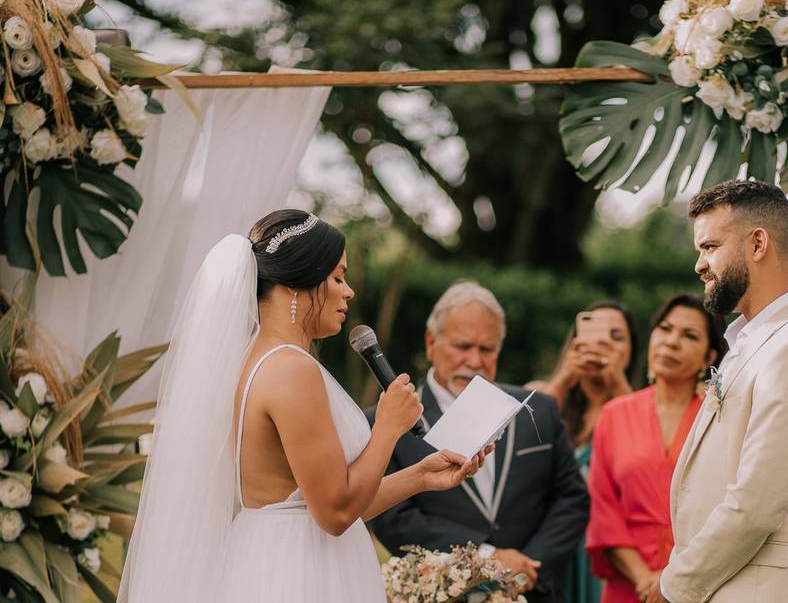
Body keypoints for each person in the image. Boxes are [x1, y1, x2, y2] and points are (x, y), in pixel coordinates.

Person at [120, 210, 487, 603]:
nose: (348, 292)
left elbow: (321, 505)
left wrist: (419, 476)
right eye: (338, 277)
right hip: (296, 575)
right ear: (299, 282)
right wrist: (387, 425)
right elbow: (335, 513)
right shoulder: (291, 370)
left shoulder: (254, 361)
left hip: (277, 554)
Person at [647, 181, 788, 603]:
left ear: (758, 243)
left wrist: (675, 586)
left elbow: (756, 504)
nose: (699, 265)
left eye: (710, 246)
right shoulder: (751, 344)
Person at [367, 281, 590, 602]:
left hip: (534, 592)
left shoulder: (538, 409)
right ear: (431, 343)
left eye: (487, 349)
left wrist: (528, 568)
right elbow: (394, 518)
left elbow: (571, 499)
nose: (474, 360)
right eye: (462, 346)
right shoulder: (386, 420)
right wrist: (488, 558)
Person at [585, 294, 726, 603]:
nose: (671, 342)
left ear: (708, 357)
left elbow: (730, 507)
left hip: (698, 583)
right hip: (629, 584)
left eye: (689, 335)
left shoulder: (719, 419)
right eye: (665, 328)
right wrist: (645, 580)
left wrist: (674, 579)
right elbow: (604, 511)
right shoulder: (614, 415)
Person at [533, 300, 640, 603]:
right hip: (554, 541)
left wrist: (617, 382)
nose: (603, 344)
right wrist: (566, 376)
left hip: (611, 547)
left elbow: (645, 447)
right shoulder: (550, 394)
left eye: (616, 337)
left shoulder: (643, 403)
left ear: (632, 349)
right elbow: (529, 442)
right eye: (594, 334)